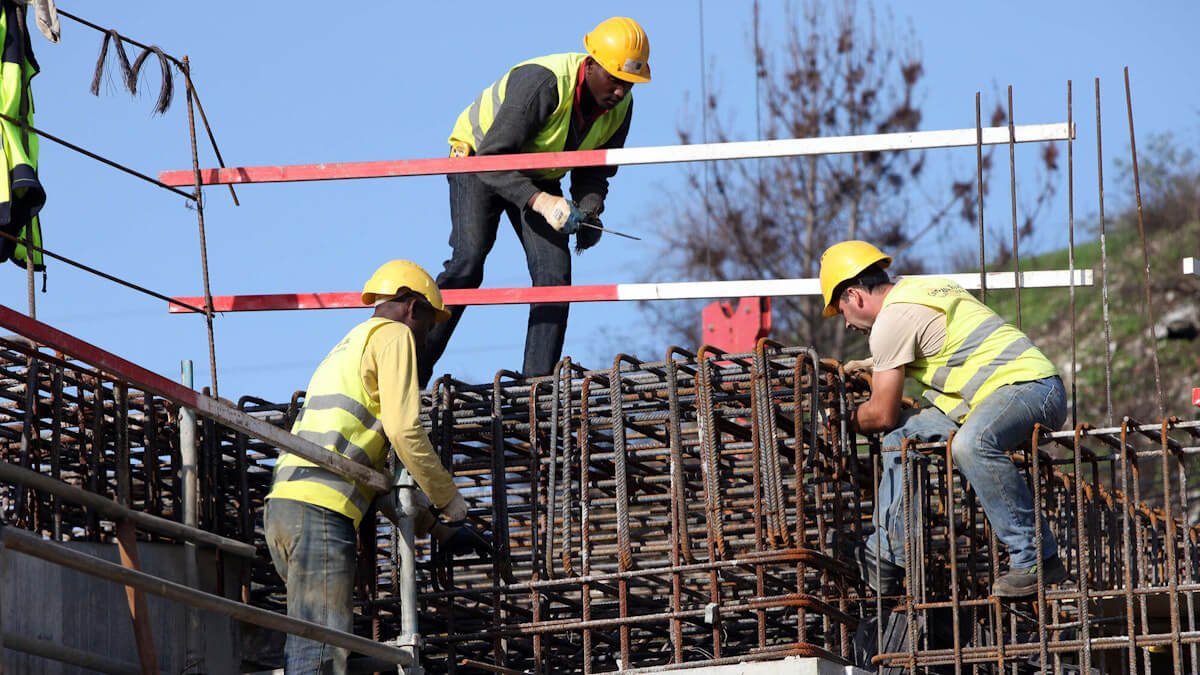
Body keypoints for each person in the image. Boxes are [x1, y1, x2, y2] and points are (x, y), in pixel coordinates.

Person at [265, 260, 490, 673]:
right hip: (319, 512)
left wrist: (437, 528)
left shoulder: (352, 343)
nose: (426, 336)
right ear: (411, 307)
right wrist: (449, 499)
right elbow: (406, 429)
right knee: (319, 654)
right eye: (428, 323)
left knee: (311, 645)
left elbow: (377, 480)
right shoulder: (394, 336)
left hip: (286, 510)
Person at [819, 240, 1069, 598]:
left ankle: (1035, 558)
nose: (845, 324)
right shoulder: (918, 289)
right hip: (990, 397)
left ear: (856, 296)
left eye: (841, 310)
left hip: (1031, 388)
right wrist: (876, 365)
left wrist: (843, 419)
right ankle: (887, 556)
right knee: (903, 441)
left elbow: (883, 413)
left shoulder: (891, 321)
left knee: (972, 444)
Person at [418, 17, 651, 386]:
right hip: (479, 160)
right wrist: (541, 202)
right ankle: (414, 370)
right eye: (615, 80)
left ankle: (536, 387)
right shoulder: (543, 83)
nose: (621, 92)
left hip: (539, 174)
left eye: (629, 84)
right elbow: (493, 160)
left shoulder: (621, 107)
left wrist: (588, 211)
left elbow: (595, 170)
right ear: (590, 64)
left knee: (554, 277)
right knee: (469, 261)